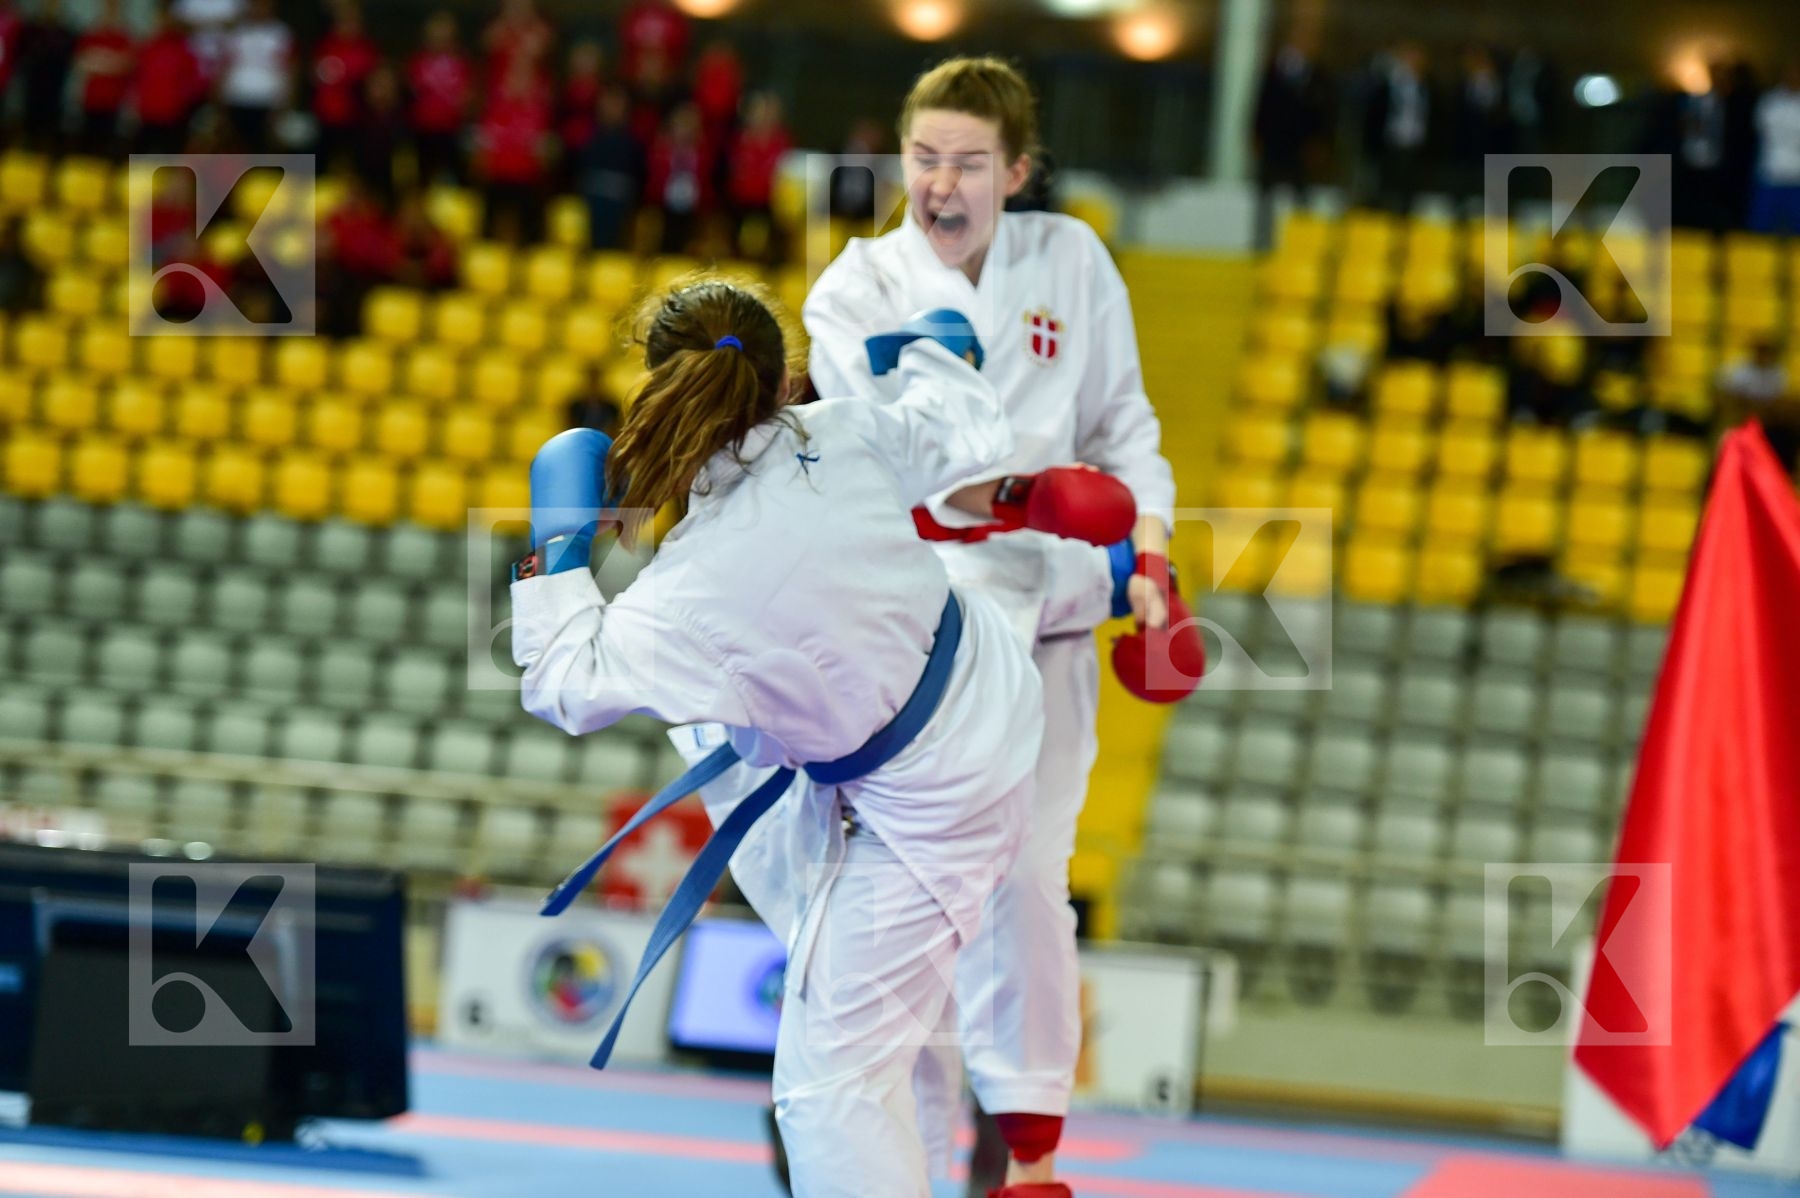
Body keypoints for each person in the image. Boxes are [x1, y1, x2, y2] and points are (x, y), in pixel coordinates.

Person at [512, 281, 1049, 1197]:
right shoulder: (841, 430)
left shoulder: (696, 585)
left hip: (931, 802)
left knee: (827, 1087)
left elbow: (563, 684)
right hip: (973, 705)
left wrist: (554, 555)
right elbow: (961, 423)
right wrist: (933, 350)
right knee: (881, 1036)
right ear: (781, 377)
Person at [801, 56, 1195, 1198]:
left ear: (1016, 171)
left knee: (1028, 876)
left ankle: (1032, 1155)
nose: (940, 184)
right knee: (906, 900)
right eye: (924, 159)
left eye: (969, 162)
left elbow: (1129, 428)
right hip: (917, 636)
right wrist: (1025, 494)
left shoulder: (1071, 262)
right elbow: (891, 452)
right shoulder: (857, 288)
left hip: (1057, 623)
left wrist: (1151, 558)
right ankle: (903, 1163)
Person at [311, 1, 379, 172]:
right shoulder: (324, 45)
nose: (348, 26)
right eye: (343, 21)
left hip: (355, 120)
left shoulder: (367, 50)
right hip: (324, 118)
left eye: (353, 21)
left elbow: (373, 86)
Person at [217, 0, 293, 154]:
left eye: (263, 5)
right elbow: (225, 66)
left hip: (267, 98)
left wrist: (285, 101)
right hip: (237, 96)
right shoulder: (237, 33)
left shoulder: (281, 34)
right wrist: (218, 98)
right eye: (255, 5)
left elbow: (289, 69)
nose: (259, 9)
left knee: (263, 147)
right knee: (236, 146)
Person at [406, 11, 472, 186]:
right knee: (422, 180)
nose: (440, 38)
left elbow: (468, 98)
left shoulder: (462, 64)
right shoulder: (417, 62)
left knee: (454, 181)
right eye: (436, 34)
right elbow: (411, 93)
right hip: (423, 132)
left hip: (452, 132)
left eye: (445, 34)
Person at [134, 3, 202, 155]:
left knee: (170, 156)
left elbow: (195, 83)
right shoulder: (148, 47)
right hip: (147, 114)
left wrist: (180, 102)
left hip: (174, 116)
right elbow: (137, 78)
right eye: (161, 19)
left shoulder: (185, 49)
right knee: (143, 158)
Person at [74, 0, 134, 156]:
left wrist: (98, 59)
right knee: (86, 144)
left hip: (112, 101)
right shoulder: (91, 35)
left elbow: (125, 65)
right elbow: (82, 63)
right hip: (91, 99)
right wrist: (111, 61)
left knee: (106, 147)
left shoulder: (124, 37)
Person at [17, 0, 75, 154]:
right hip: (32, 92)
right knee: (30, 134)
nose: (51, 7)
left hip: (55, 93)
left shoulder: (66, 33)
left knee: (50, 136)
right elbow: (21, 57)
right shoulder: (31, 30)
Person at [1750, 63, 1800, 235]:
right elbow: (1766, 129)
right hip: (1771, 173)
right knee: (1760, 232)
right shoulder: (1770, 101)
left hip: (1797, 177)